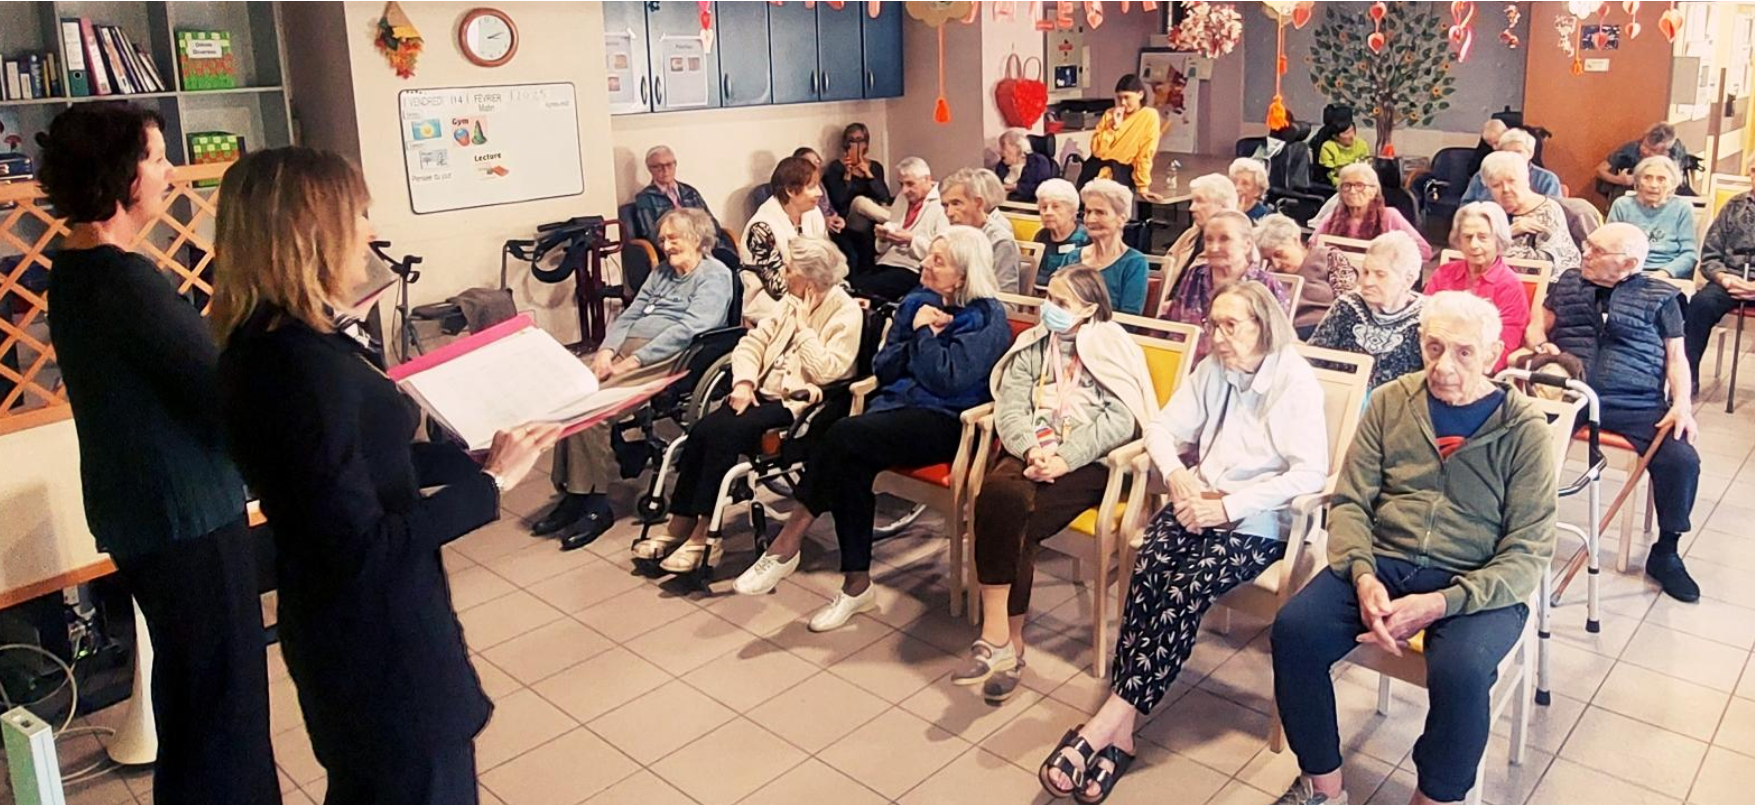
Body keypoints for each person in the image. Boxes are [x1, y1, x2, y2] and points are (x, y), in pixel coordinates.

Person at [212, 147, 561, 805]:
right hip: (378, 647)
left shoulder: (279, 343)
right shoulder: (295, 368)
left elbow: (366, 462)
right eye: (360, 214)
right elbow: (362, 548)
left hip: (359, 630)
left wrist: (470, 459)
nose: (371, 231)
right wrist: (491, 487)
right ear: (311, 230)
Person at [37, 102, 280, 805]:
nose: (169, 170)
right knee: (224, 700)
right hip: (185, 519)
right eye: (154, 156)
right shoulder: (120, 280)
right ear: (119, 173)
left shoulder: (77, 268)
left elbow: (175, 364)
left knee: (193, 691)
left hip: (142, 512)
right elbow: (215, 390)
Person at [1037, 281, 1328, 803]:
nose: (1216, 336)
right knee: (1150, 565)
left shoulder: (1294, 381)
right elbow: (1162, 430)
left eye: (1230, 326)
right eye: (1214, 324)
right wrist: (1178, 478)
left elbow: (1311, 474)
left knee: (1183, 589)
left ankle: (1104, 726)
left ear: (1263, 326)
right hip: (1198, 501)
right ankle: (1121, 732)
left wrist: (1227, 506)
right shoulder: (1215, 368)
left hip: (1257, 520)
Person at [1269, 291, 1557, 805]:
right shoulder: (1390, 402)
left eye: (1464, 352)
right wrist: (1362, 574)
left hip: (1476, 580)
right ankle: (1324, 787)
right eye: (1433, 347)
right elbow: (1352, 502)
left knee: (1461, 670)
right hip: (1385, 562)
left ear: (1493, 355)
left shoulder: (1524, 428)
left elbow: (1529, 549)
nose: (1444, 366)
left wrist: (1442, 602)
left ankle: (1435, 797)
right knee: (1295, 632)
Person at [730, 226, 1012, 631]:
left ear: (964, 275)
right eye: (928, 255)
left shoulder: (986, 316)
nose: (925, 264)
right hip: (898, 408)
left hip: (947, 423)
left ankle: (786, 544)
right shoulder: (919, 300)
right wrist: (917, 331)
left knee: (843, 435)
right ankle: (855, 586)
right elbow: (883, 366)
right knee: (850, 464)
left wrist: (922, 336)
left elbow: (947, 380)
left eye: (938, 260)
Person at [956, 267, 1156, 701]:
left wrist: (1065, 458)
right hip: (1032, 450)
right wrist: (1031, 450)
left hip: (1087, 463)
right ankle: (1004, 640)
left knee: (1011, 518)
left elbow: (1121, 420)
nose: (1051, 308)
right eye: (1050, 298)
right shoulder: (1033, 345)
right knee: (1001, 498)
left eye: (1062, 303)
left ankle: (1001, 644)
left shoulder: (1112, 346)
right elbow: (1010, 405)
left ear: (1089, 309)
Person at [634, 237, 862, 572]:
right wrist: (743, 382)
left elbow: (828, 370)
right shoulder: (788, 302)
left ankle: (703, 537)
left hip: (797, 405)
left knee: (724, 435)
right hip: (758, 392)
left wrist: (802, 330)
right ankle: (678, 524)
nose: (782, 273)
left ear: (810, 279)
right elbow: (750, 344)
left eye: (789, 268)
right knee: (702, 430)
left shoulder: (846, 312)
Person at [537, 208, 735, 550]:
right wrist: (605, 351)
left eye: (674, 238)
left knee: (594, 409)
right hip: (628, 351)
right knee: (570, 395)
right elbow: (629, 314)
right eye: (663, 239)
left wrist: (632, 362)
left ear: (699, 239)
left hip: (671, 356)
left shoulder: (714, 275)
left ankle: (596, 506)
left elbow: (691, 328)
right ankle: (572, 494)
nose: (666, 245)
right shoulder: (661, 273)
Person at [1531, 222, 1701, 602]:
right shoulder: (1568, 283)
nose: (1584, 254)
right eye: (1586, 246)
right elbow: (1534, 328)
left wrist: (1682, 406)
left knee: (1681, 458)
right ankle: (1508, 526)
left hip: (1635, 402)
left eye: (1595, 250)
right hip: (1571, 394)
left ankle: (1667, 552)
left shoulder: (1662, 297)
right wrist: (1543, 347)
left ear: (1628, 263)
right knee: (1510, 436)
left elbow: (1677, 359)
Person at [1309, 232, 1428, 388]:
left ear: (1408, 280)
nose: (1367, 282)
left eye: (1380, 275)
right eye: (1365, 272)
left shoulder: (1427, 317)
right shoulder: (1347, 305)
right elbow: (1313, 358)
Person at [1425, 202, 1533, 372]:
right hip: (1434, 362)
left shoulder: (1509, 285)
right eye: (1467, 237)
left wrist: (1468, 369)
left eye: (1482, 237)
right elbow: (1424, 320)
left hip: (1478, 372)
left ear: (1498, 240)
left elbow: (1507, 344)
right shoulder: (1443, 274)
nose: (1474, 245)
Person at [1160, 211, 1291, 345]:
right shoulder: (1195, 275)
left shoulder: (1266, 285)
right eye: (1209, 239)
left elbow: (1277, 343)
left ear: (1247, 245)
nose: (1214, 248)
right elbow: (1173, 325)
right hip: (1187, 361)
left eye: (1225, 239)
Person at [1682, 162, 1755, 382]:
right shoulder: (1734, 205)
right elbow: (1710, 255)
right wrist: (1725, 278)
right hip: (1730, 279)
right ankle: (1687, 377)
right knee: (1700, 304)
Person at [741, 155, 829, 322]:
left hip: (811, 294)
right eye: (811, 187)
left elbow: (826, 263)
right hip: (769, 303)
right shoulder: (761, 228)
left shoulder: (814, 213)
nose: (819, 193)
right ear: (790, 190)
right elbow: (777, 288)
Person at [855, 156, 947, 302]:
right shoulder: (902, 198)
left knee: (865, 291)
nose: (904, 190)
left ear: (927, 179)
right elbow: (884, 244)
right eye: (901, 184)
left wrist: (911, 241)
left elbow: (943, 252)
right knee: (852, 286)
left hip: (914, 267)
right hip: (888, 261)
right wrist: (884, 236)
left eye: (910, 184)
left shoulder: (942, 204)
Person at [1483, 151, 1580, 277]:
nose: (1506, 189)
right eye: (1496, 185)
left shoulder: (1547, 211)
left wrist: (1496, 244)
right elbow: (1470, 252)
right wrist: (1508, 232)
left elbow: (1542, 267)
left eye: (1512, 181)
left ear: (1526, 180)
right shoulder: (1488, 212)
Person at [631, 145, 737, 257]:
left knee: (731, 261)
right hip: (677, 251)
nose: (665, 170)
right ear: (649, 169)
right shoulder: (645, 198)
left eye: (669, 164)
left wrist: (708, 240)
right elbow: (651, 234)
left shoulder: (689, 191)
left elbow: (711, 221)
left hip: (705, 245)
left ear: (675, 164)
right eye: (658, 166)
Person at [1311, 162, 1433, 260]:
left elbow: (1424, 250)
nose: (1352, 191)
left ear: (1373, 191)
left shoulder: (1390, 217)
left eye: (1359, 185)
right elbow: (1312, 248)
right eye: (1346, 186)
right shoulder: (1332, 218)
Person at [1607, 155, 1699, 279]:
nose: (1653, 185)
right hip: (1626, 273)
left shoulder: (1682, 208)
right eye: (1647, 178)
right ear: (1637, 181)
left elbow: (1689, 254)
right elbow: (1608, 245)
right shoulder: (1622, 205)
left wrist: (1664, 273)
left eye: (1661, 179)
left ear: (1672, 184)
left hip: (1666, 275)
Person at [1158, 174, 1240, 312]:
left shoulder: (1238, 245)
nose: (1191, 208)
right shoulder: (1190, 235)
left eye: (1199, 201)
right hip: (1168, 310)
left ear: (1224, 206)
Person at [1076, 74, 1165, 201]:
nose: (1123, 102)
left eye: (1127, 97)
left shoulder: (1149, 116)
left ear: (1140, 94)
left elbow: (1145, 154)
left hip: (1121, 173)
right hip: (1095, 171)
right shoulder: (1110, 114)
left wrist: (1143, 185)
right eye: (1119, 98)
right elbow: (1097, 151)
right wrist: (1113, 128)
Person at [1071, 178, 1151, 314]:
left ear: (1121, 219)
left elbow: (1129, 320)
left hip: (1109, 334)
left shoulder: (1134, 263)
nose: (1090, 219)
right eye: (1088, 212)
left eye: (1100, 212)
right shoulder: (1072, 257)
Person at [942, 166, 1024, 295]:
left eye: (956, 204)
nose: (949, 213)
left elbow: (1007, 301)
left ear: (979, 204)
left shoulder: (1000, 241)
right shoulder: (948, 237)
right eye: (945, 205)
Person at [824, 122, 893, 275]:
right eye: (852, 140)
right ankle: (898, 222)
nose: (856, 144)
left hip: (872, 217)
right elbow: (839, 200)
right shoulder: (836, 168)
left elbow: (885, 197)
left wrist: (868, 174)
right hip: (849, 218)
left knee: (878, 206)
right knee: (860, 201)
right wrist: (847, 177)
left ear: (866, 143)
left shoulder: (874, 167)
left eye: (860, 140)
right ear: (845, 144)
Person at [1257, 212, 1341, 337]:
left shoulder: (1329, 257)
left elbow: (1347, 300)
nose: (1276, 264)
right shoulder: (1268, 275)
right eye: (1268, 259)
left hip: (1325, 329)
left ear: (1295, 240)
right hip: (1283, 334)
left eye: (1279, 254)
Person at [1460, 129, 1563, 204]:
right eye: (1507, 152)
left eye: (1518, 152)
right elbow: (1465, 207)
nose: (1513, 157)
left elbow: (1552, 212)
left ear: (1530, 153)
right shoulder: (1482, 176)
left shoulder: (1547, 179)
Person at [1597, 122, 1691, 200]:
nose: (1645, 151)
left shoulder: (1674, 155)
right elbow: (1600, 170)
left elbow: (1676, 181)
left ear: (1665, 152)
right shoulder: (1631, 149)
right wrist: (1619, 180)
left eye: (1653, 150)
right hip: (1629, 194)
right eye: (1644, 145)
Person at [1031, 178, 1091, 287]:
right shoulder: (1041, 236)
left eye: (1055, 207)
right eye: (1044, 207)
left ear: (1072, 210)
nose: (1048, 212)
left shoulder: (1085, 238)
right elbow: (1032, 275)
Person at [792, 146, 848, 234]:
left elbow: (830, 207)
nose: (816, 166)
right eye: (810, 163)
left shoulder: (820, 184)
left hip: (831, 227)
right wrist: (823, 221)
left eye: (817, 161)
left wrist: (837, 218)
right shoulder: (798, 189)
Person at [997, 126, 1057, 203]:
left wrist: (1014, 187)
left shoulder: (1038, 162)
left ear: (1017, 147)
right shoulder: (1002, 165)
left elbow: (1038, 189)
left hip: (1029, 206)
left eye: (1003, 147)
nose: (1000, 151)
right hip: (1004, 205)